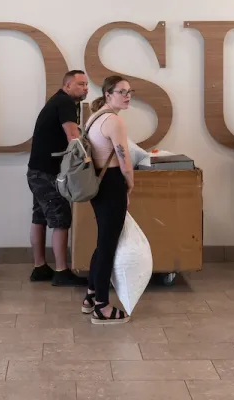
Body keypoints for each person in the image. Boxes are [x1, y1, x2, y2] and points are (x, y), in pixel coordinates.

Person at [27, 70, 90, 286]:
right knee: (61, 219)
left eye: (86, 85)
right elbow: (73, 138)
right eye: (81, 84)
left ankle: (40, 267)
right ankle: (62, 271)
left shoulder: (57, 101)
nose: (85, 88)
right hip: (47, 174)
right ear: (68, 85)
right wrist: (89, 159)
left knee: (40, 217)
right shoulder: (64, 103)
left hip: (36, 172)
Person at [80, 76, 134, 324]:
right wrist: (130, 183)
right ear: (108, 93)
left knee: (103, 241)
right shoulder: (114, 121)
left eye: (129, 91)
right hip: (111, 183)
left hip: (98, 183)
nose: (127, 95)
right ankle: (102, 305)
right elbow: (124, 160)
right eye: (122, 91)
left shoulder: (94, 117)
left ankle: (91, 295)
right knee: (108, 245)